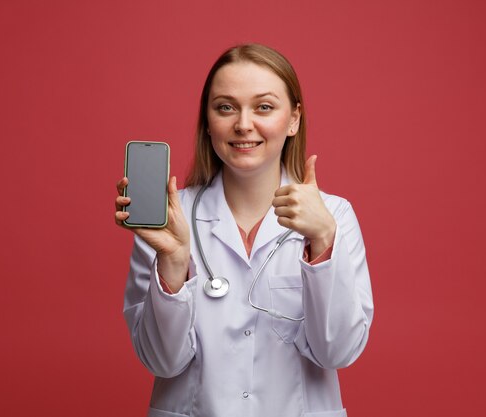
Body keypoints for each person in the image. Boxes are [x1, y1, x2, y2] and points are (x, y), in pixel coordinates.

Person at [114, 44, 374, 417]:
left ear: (293, 119)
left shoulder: (333, 216)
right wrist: (172, 262)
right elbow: (162, 362)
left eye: (264, 107)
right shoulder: (172, 218)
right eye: (225, 107)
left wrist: (322, 243)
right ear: (207, 120)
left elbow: (338, 352)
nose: (243, 124)